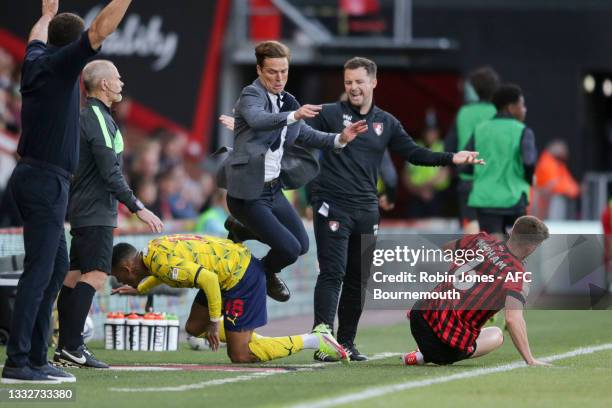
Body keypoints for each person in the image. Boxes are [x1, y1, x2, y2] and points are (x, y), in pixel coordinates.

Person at [303, 57, 483, 362]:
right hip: (332, 205)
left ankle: (346, 342)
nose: (354, 88)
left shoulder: (385, 122)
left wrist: (453, 158)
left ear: (374, 82)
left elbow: (414, 153)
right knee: (333, 272)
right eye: (348, 82)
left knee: (358, 279)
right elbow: (299, 136)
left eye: (359, 81)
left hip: (367, 210)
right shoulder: (329, 113)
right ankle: (323, 341)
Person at [2, 0, 133, 384]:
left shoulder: (36, 61)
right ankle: (19, 362)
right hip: (45, 180)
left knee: (56, 267)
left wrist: (44, 16)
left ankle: (38, 357)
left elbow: (35, 39)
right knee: (40, 271)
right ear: (72, 46)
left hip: (37, 178)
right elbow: (99, 31)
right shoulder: (60, 66)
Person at [217, 41, 368, 303]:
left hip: (273, 189)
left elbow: (306, 135)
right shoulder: (250, 95)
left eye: (284, 71)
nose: (279, 78)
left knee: (302, 245)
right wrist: (293, 116)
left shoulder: (288, 101)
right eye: (272, 71)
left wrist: (339, 138)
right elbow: (258, 120)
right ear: (259, 70)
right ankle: (255, 279)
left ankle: (243, 236)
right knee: (288, 249)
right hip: (247, 193)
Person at [54, 60, 163, 369]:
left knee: (75, 276)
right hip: (95, 211)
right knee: (97, 274)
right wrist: (138, 207)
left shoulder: (92, 116)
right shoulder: (97, 117)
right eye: (117, 79)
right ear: (103, 85)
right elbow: (110, 173)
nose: (121, 83)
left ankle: (66, 348)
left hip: (86, 209)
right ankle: (72, 348)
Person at [110, 234, 349, 364]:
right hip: (221, 273)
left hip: (240, 277)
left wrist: (215, 321)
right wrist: (141, 288)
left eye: (118, 275)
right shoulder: (152, 251)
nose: (120, 281)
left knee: (240, 355)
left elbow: (209, 281)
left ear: (126, 267)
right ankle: (246, 335)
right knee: (194, 327)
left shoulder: (158, 263)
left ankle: (315, 340)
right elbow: (169, 271)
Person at [403, 215, 551, 366]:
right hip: (444, 345)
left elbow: (444, 251)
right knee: (497, 335)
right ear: (532, 246)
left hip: (419, 316)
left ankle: (422, 354)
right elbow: (513, 319)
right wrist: (530, 360)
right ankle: (425, 355)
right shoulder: (517, 274)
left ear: (512, 231)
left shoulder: (482, 240)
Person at [466, 84, 537, 235]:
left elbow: (465, 166)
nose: (525, 109)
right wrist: (529, 178)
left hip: (485, 201)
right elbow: (529, 162)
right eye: (522, 105)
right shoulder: (523, 131)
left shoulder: (479, 130)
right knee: (516, 250)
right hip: (514, 199)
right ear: (510, 108)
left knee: (493, 251)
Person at [445, 66, 500, 234]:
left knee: (472, 238)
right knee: (496, 236)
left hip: (468, 183)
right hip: (495, 182)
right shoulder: (499, 112)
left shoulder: (463, 113)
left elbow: (449, 147)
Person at [532, 140, 580, 219]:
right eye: (561, 148)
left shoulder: (556, 163)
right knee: (553, 222)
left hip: (555, 199)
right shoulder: (548, 163)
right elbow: (552, 184)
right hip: (551, 200)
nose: (564, 151)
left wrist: (575, 189)